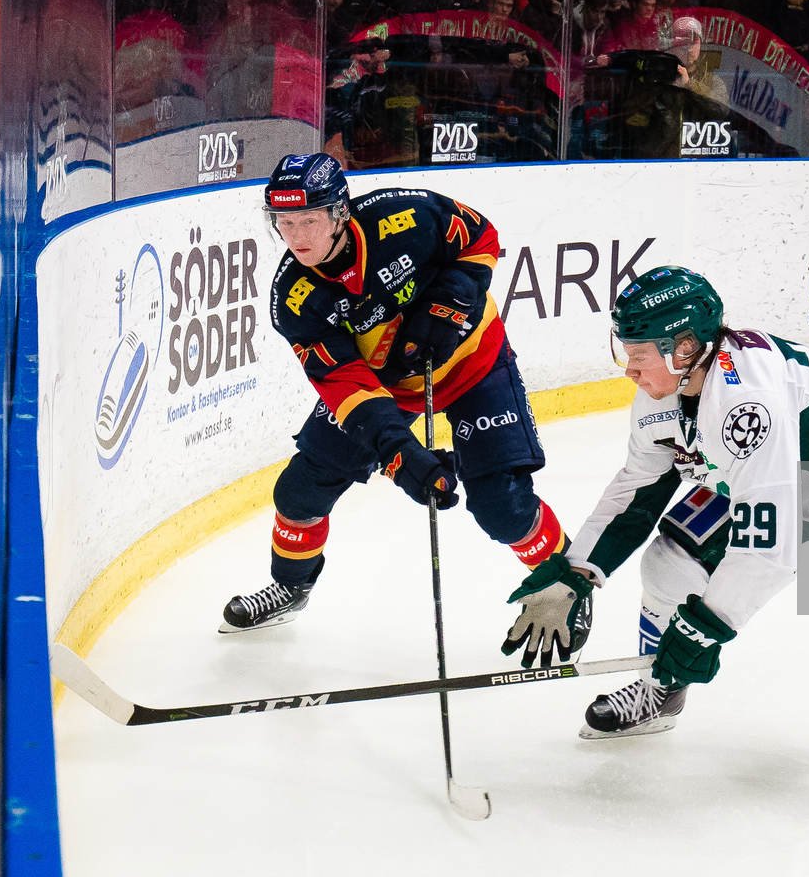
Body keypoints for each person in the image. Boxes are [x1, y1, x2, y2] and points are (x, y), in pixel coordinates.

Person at [501, 267, 809, 750]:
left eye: (640, 355)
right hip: (780, 475)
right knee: (668, 566)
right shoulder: (671, 389)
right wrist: (578, 570)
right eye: (626, 352)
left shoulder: (745, 401)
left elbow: (767, 553)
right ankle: (660, 690)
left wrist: (704, 629)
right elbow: (639, 488)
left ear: (684, 348)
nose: (630, 370)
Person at [221, 155, 573, 631]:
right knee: (299, 491)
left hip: (475, 363)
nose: (297, 237)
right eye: (285, 223)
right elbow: (350, 390)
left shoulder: (403, 217)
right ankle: (291, 586)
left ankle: (564, 586)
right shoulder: (295, 299)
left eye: (309, 220)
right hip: (387, 388)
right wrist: (400, 455)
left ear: (340, 212)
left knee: (502, 507)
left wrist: (450, 300)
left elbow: (479, 237)